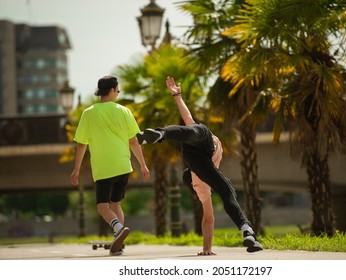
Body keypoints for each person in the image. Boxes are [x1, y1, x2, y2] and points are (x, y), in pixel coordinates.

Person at [137, 76, 263, 254]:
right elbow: (208, 219)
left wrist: (178, 97)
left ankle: (160, 135)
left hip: (192, 153)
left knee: (192, 131)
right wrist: (178, 97)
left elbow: (208, 218)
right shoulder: (201, 182)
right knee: (195, 132)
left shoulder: (200, 184)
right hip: (202, 145)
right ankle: (246, 230)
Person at [70, 75, 150, 256]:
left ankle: (118, 229)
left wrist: (76, 169)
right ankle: (119, 241)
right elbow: (133, 141)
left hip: (104, 168)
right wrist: (143, 165)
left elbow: (82, 144)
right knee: (116, 204)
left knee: (102, 206)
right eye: (118, 90)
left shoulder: (89, 113)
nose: (118, 93)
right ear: (112, 90)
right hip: (123, 166)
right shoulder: (124, 111)